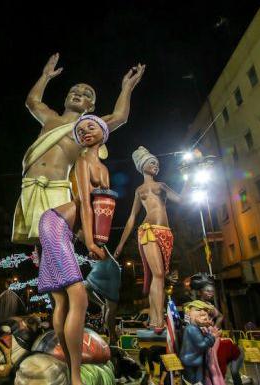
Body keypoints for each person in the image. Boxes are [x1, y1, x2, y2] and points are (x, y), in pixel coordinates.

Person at [13, 52, 145, 245]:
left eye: (86, 94)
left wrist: (127, 88)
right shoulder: (50, 118)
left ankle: (88, 266)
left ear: (90, 106)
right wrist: (46, 76)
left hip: (57, 188)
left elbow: (119, 117)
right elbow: (32, 102)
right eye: (74, 91)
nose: (79, 94)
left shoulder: (87, 128)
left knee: (56, 239)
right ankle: (49, 276)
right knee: (40, 244)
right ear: (66, 98)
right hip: (30, 185)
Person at [37, 115, 113, 385]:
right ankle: (77, 377)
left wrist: (95, 240)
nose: (85, 132)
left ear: (104, 132)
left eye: (90, 127)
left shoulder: (102, 168)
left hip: (64, 229)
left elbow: (101, 209)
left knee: (62, 300)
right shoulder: (81, 162)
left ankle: (70, 371)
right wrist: (91, 243)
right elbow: (85, 204)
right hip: (55, 223)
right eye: (80, 130)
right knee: (78, 297)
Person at [114, 146, 188, 332]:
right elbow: (132, 217)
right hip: (147, 231)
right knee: (158, 274)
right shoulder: (139, 190)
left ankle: (156, 317)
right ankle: (157, 321)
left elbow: (181, 200)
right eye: (152, 162)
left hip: (166, 232)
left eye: (157, 162)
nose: (156, 165)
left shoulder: (161, 186)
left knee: (160, 276)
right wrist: (121, 244)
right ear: (142, 165)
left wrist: (188, 179)